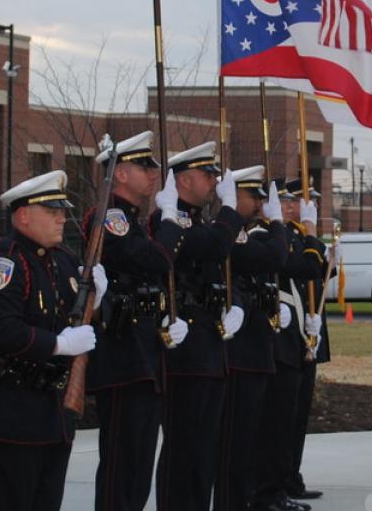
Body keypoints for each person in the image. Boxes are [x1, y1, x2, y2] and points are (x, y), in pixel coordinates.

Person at [0, 170, 104, 510]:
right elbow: (2, 331)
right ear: (23, 215)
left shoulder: (64, 261)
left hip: (53, 416)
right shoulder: (6, 263)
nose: (61, 218)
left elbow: (81, 319)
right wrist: (59, 345)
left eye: (62, 210)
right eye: (52, 211)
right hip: (11, 414)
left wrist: (100, 300)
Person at [87, 131, 190, 511]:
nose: (153, 173)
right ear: (120, 174)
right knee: (121, 463)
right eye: (144, 166)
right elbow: (154, 260)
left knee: (139, 462)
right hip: (122, 356)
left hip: (144, 354)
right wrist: (170, 219)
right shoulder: (109, 217)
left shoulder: (133, 220)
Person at [154, 142, 244, 511]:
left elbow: (224, 272)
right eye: (207, 175)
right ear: (184, 179)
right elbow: (213, 248)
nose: (213, 182)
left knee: (205, 447)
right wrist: (231, 210)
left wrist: (235, 304)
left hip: (210, 347)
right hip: (185, 352)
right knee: (183, 447)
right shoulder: (169, 221)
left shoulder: (202, 222)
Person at [215, 167, 286, 511]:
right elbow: (277, 256)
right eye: (253, 196)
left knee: (247, 444)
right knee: (233, 447)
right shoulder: (232, 235)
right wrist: (278, 224)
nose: (260, 203)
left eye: (262, 197)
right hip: (238, 356)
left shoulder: (242, 233)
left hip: (255, 352)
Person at [254, 179, 328, 511]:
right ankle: (270, 489)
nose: (292, 206)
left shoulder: (287, 237)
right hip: (276, 340)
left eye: (296, 202)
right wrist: (311, 231)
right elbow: (306, 265)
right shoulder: (264, 237)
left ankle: (283, 482)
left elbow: (315, 271)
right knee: (275, 424)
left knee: (290, 420)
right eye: (285, 201)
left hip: (296, 334)